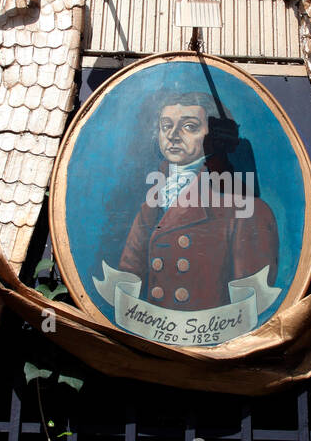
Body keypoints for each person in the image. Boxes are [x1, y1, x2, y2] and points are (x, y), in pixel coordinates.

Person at [116, 91, 278, 316]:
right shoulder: (154, 200)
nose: (172, 135)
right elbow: (130, 272)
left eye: (189, 127)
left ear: (215, 137)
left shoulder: (246, 209)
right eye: (165, 126)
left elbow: (250, 302)